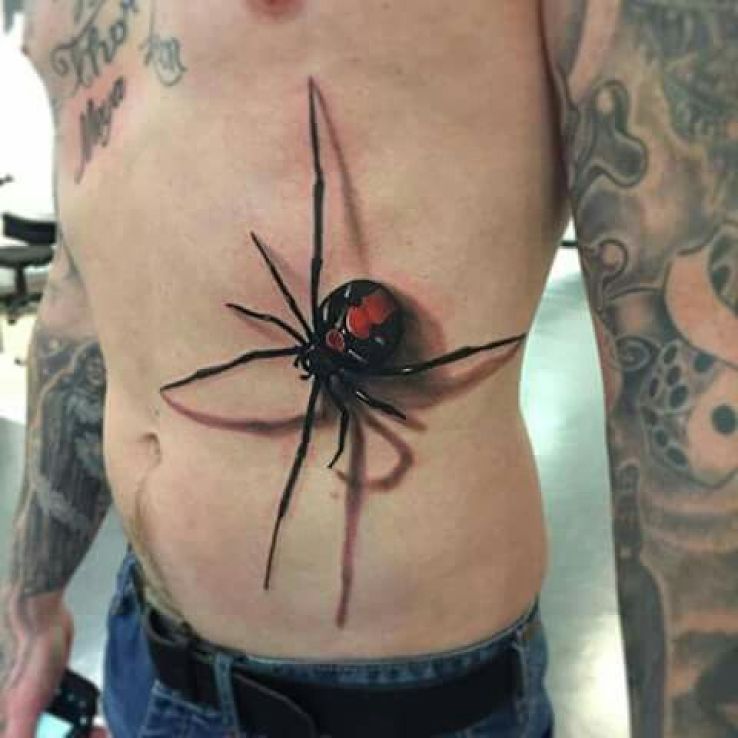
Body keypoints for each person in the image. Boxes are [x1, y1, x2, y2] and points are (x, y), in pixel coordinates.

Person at [1, 0, 736, 736]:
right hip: (143, 645)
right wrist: (30, 601)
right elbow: (85, 276)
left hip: (391, 704)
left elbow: (689, 359)